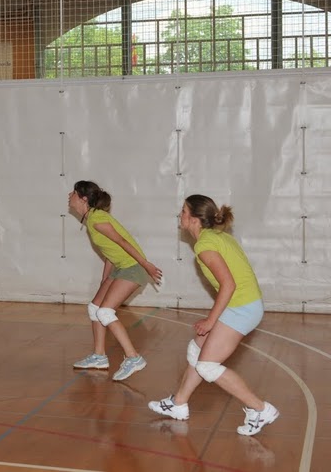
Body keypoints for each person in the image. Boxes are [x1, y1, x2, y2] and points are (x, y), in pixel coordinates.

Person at [149, 195, 278, 436]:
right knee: (196, 350)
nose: (180, 215)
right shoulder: (217, 236)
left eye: (183, 211)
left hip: (242, 307)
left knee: (207, 366)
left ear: (194, 219)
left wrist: (210, 321)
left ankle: (260, 409)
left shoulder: (205, 246)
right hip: (242, 303)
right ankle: (179, 403)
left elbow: (228, 284)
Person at [68, 180, 163, 381]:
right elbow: (110, 251)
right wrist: (105, 280)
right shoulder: (92, 219)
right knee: (94, 308)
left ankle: (133, 358)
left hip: (133, 267)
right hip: (121, 267)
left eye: (73, 193)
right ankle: (99, 357)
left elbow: (122, 242)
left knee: (105, 312)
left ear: (83, 199)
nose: (70, 195)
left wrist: (146, 265)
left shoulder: (97, 219)